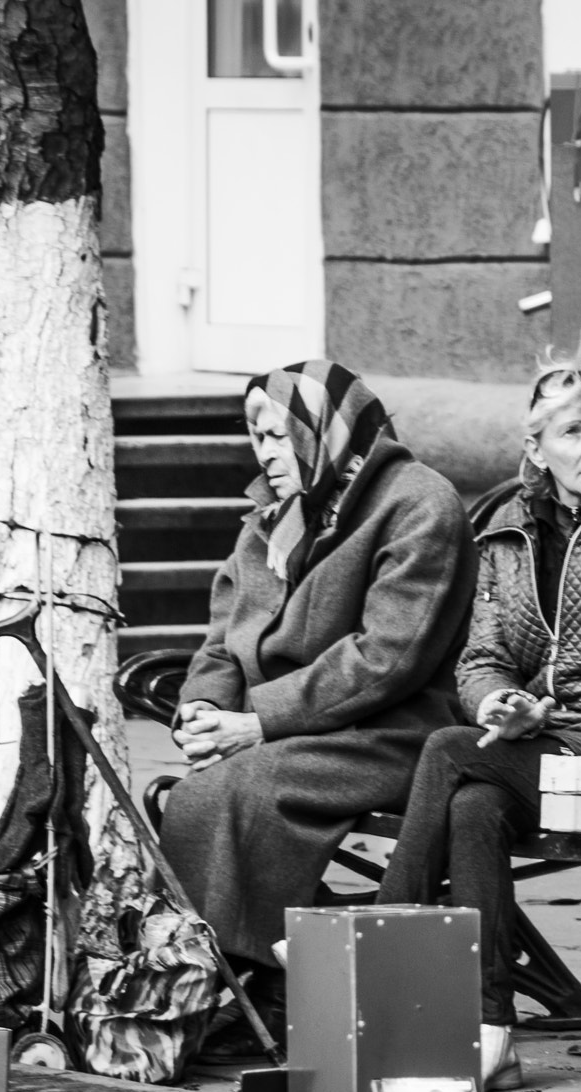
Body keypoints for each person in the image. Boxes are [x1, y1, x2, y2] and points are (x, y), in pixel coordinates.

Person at [163, 361, 477, 1051]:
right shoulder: (275, 519)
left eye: (277, 436)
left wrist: (257, 721)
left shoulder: (419, 503)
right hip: (288, 730)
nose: (266, 455)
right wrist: (202, 707)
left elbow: (386, 656)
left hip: (393, 731)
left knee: (243, 787)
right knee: (191, 793)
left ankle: (250, 988)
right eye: (256, 438)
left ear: (323, 429)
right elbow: (222, 637)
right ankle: (217, 980)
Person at [376, 363, 581, 1091]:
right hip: (537, 755)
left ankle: (377, 941)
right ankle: (491, 1034)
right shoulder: (507, 532)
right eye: (572, 431)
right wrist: (498, 703)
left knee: (449, 752)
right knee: (473, 806)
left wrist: (550, 713)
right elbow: (483, 657)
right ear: (535, 444)